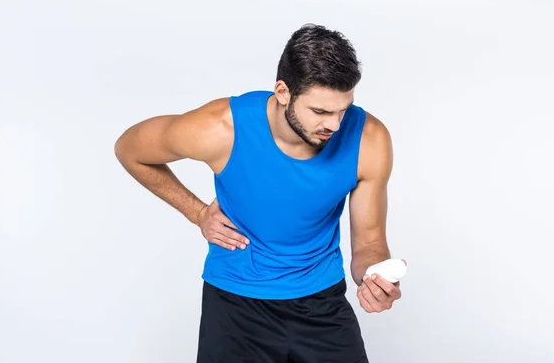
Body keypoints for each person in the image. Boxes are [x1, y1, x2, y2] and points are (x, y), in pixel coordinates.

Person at [114, 23, 405, 362]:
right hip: (236, 306)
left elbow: (369, 243)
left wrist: (374, 277)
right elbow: (130, 150)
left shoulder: (369, 138)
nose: (335, 125)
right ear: (283, 92)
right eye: (321, 112)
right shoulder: (220, 128)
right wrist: (196, 213)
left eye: (343, 109)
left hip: (321, 305)